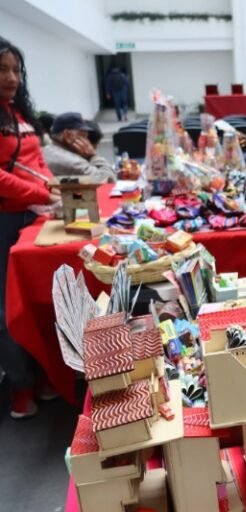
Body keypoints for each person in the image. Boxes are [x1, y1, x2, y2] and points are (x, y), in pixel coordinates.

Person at [0, 37, 60, 419]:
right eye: (2, 70)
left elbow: (38, 165)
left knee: (39, 300)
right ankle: (20, 384)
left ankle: (41, 373)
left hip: (34, 217)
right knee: (5, 310)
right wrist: (40, 189)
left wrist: (52, 188)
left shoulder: (18, 115)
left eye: (15, 70)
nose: (11, 78)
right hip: (5, 221)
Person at [43, 112, 115, 183]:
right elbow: (109, 180)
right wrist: (93, 156)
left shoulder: (46, 149)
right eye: (83, 136)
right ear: (67, 135)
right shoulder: (73, 162)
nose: (87, 142)